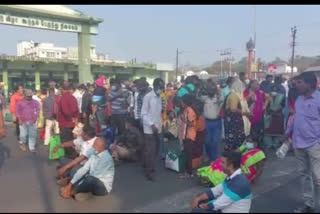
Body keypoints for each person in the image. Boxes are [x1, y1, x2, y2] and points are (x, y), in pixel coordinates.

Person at [282, 71, 320, 213]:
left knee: (318, 178)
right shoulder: (298, 99)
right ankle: (308, 204)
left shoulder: (318, 99)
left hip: (314, 144)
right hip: (298, 143)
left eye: (300, 82)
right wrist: (287, 133)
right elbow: (296, 119)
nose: (296, 85)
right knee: (304, 175)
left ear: (309, 84)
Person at [60, 137, 115, 202]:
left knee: (89, 179)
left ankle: (71, 193)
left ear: (101, 148)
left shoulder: (106, 158)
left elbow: (93, 177)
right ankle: (75, 188)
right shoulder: (94, 153)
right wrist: (70, 184)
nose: (93, 146)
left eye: (95, 145)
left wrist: (71, 188)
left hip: (103, 188)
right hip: (91, 178)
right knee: (79, 171)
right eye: (94, 144)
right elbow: (84, 169)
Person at [141, 78, 165, 181]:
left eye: (162, 87)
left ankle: (148, 165)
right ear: (154, 86)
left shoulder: (159, 97)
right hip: (149, 129)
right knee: (150, 150)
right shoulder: (148, 97)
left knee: (156, 149)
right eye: (160, 87)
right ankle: (148, 171)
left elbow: (158, 113)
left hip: (157, 127)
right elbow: (143, 114)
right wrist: (151, 125)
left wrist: (159, 125)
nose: (161, 89)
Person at [223, 78, 251, 152]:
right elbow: (233, 109)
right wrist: (245, 113)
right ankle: (234, 158)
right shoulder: (234, 95)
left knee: (236, 141)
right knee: (235, 141)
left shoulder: (235, 94)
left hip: (234, 122)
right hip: (233, 123)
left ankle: (235, 156)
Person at [201, 79, 224, 163]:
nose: (211, 90)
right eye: (209, 89)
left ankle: (214, 159)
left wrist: (217, 91)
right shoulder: (204, 98)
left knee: (215, 141)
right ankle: (208, 155)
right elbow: (197, 96)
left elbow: (221, 100)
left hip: (217, 122)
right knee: (207, 141)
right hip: (207, 122)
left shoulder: (219, 97)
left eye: (212, 89)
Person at [243, 80, 270, 148]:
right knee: (249, 137)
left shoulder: (260, 92)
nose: (258, 86)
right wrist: (249, 95)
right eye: (256, 84)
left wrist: (265, 105)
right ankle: (250, 152)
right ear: (251, 85)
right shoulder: (245, 92)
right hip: (249, 118)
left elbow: (268, 98)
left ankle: (258, 153)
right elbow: (243, 102)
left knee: (259, 136)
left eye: (258, 84)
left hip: (259, 118)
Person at [263, 77, 286, 152]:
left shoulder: (270, 87)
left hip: (275, 112)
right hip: (273, 112)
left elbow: (283, 103)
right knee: (270, 129)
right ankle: (272, 144)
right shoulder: (281, 88)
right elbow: (265, 100)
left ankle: (272, 144)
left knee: (274, 129)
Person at [58, 84, 79, 159]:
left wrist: (70, 118)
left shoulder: (63, 98)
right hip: (72, 123)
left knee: (65, 142)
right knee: (71, 141)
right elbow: (76, 110)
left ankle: (71, 157)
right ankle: (73, 155)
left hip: (65, 123)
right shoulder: (73, 98)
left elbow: (65, 111)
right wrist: (75, 119)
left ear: (63, 90)